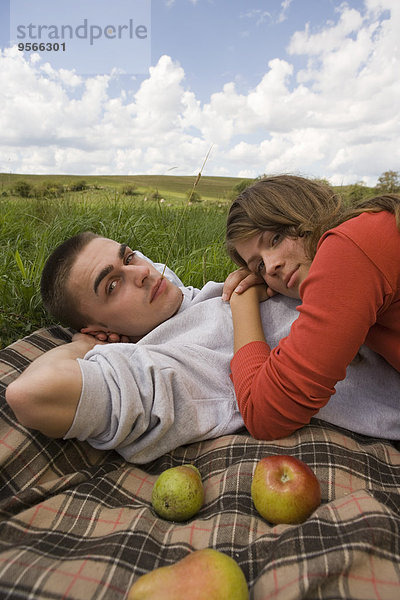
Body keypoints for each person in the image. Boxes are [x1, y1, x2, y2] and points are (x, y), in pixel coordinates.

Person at [6, 231, 400, 464]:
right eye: (112, 285)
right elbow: (32, 395)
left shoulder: (188, 297)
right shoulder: (165, 358)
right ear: (103, 330)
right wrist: (82, 345)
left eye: (129, 257)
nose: (142, 273)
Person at [223, 174, 400, 441]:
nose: (271, 266)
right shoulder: (371, 232)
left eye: (275, 238)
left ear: (304, 212)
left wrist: (242, 301)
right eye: (259, 265)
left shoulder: (350, 250)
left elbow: (265, 414)